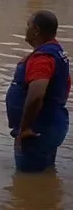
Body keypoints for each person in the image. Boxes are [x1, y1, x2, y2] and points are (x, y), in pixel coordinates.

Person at [6, 10, 70, 173]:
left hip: (36, 131)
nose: (25, 29)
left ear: (36, 31)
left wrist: (25, 128)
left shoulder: (42, 59)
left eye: (28, 25)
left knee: (25, 186)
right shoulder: (54, 51)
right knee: (44, 176)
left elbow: (36, 95)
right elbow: (65, 83)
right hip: (51, 126)